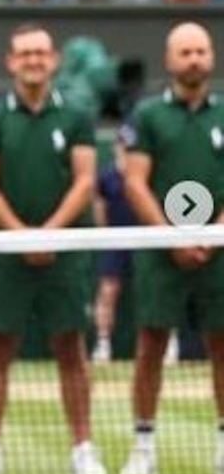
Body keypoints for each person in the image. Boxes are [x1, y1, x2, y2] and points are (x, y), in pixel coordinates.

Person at [0, 25, 107, 474]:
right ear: (10, 61)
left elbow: (85, 182)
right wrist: (21, 237)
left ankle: (83, 446)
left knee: (71, 346)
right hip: (6, 253)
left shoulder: (78, 117)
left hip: (64, 253)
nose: (33, 60)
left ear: (54, 60)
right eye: (25, 53)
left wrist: (49, 234)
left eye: (41, 53)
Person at [119, 22, 224, 474]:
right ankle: (143, 446)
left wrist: (213, 234)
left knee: (222, 348)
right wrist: (174, 236)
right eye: (185, 52)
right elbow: (135, 181)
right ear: (169, 60)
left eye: (201, 51)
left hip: (219, 251)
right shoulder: (146, 116)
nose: (194, 59)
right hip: (161, 250)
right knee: (150, 347)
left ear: (212, 57)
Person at [91, 139, 138, 363]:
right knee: (108, 292)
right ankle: (103, 343)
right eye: (121, 144)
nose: (124, 148)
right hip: (115, 241)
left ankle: (169, 345)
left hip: (145, 240)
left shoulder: (143, 174)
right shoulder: (106, 176)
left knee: (155, 292)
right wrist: (106, 235)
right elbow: (99, 207)